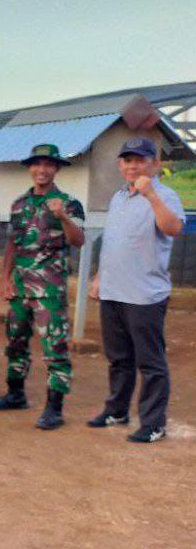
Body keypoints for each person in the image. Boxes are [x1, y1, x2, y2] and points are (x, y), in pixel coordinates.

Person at [88, 137, 184, 443]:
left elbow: (173, 228)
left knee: (150, 363)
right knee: (119, 358)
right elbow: (114, 243)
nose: (133, 166)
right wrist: (99, 278)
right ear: (120, 165)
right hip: (113, 291)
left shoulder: (165, 195)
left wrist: (151, 195)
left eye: (140, 160)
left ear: (154, 164)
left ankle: (154, 423)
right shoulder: (118, 198)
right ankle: (117, 410)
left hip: (144, 295)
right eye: (127, 160)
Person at [0, 144, 85, 430]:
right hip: (20, 287)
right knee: (15, 342)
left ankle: (55, 409)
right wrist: (5, 280)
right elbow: (14, 243)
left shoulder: (69, 203)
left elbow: (78, 241)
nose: (42, 170)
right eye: (37, 165)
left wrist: (62, 216)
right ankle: (15, 394)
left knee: (55, 347)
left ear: (56, 169)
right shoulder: (19, 204)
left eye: (48, 165)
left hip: (49, 289)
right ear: (30, 168)